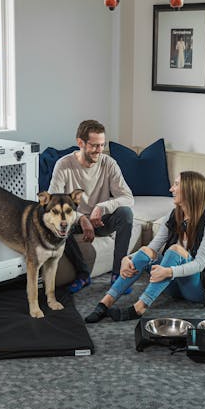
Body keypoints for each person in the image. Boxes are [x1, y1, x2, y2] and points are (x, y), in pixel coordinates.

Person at [84, 171, 205, 323]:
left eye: (176, 184)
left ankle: (139, 307)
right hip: (172, 283)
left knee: (175, 250)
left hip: (199, 289)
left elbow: (200, 264)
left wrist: (168, 271)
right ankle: (104, 304)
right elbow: (152, 248)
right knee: (145, 251)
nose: (171, 189)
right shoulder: (173, 215)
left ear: (190, 189)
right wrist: (127, 258)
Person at [48, 120, 134, 293]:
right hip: (75, 222)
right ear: (80, 143)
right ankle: (83, 275)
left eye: (102, 145)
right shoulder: (64, 165)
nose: (99, 151)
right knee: (57, 222)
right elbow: (53, 203)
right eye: (94, 146)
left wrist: (102, 207)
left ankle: (118, 274)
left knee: (126, 214)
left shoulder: (108, 163)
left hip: (100, 221)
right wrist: (81, 218)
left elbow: (127, 197)